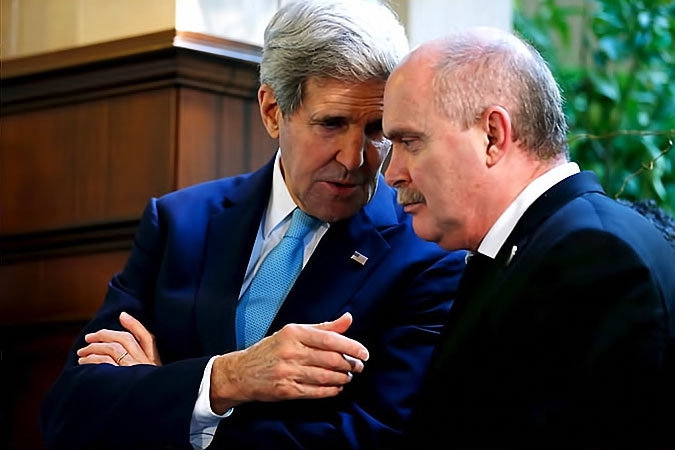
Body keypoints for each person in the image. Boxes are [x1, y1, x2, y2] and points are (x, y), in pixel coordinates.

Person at [39, 1, 466, 449]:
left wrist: (165, 394)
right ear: (272, 111)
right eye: (332, 124)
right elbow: (69, 413)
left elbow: (375, 439)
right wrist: (226, 378)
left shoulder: (427, 253)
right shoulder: (178, 223)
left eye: (376, 129)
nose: (354, 158)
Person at [383, 26, 675, 448]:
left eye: (410, 142)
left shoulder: (592, 258)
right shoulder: (548, 246)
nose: (392, 173)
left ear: (492, 136)